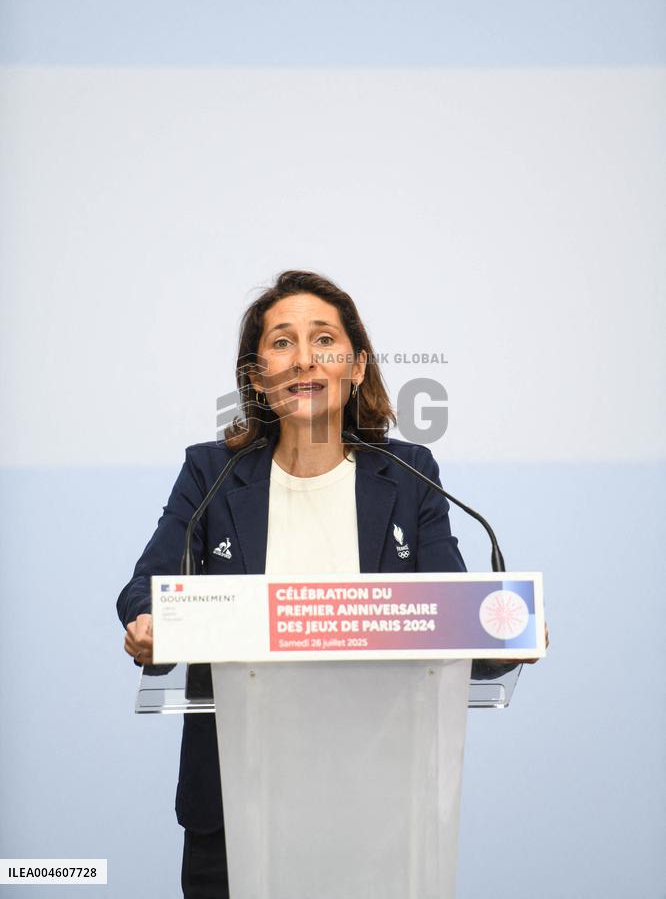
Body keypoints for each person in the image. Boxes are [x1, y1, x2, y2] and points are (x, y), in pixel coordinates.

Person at [117, 269, 544, 898]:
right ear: (257, 375)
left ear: (357, 366)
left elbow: (450, 612)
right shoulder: (212, 471)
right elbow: (143, 594)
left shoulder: (408, 474)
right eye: (281, 342)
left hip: (376, 807)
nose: (304, 359)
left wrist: (505, 635)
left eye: (324, 339)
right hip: (236, 807)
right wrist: (150, 627)